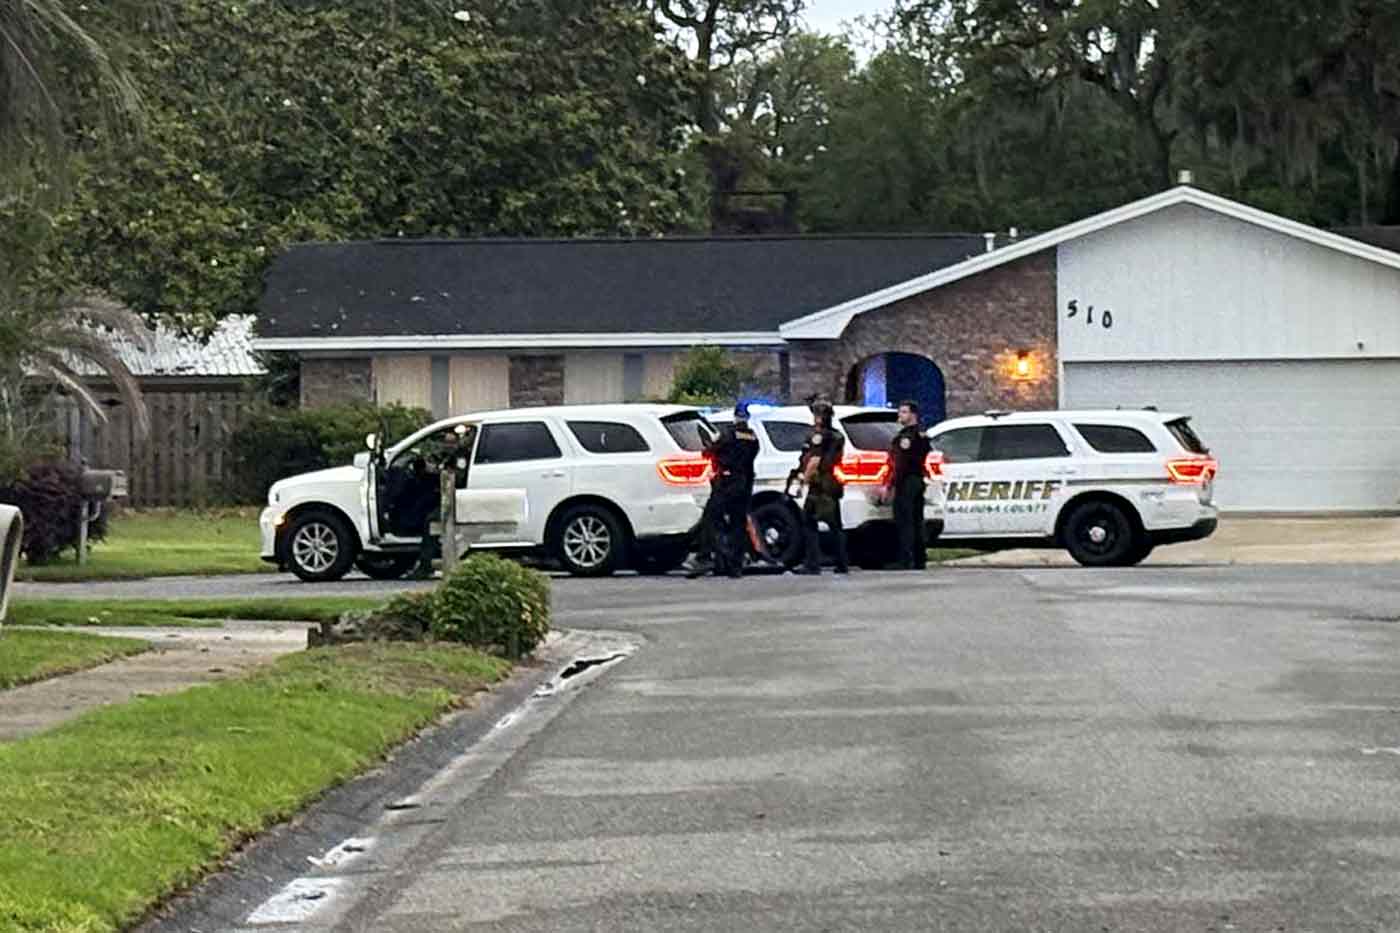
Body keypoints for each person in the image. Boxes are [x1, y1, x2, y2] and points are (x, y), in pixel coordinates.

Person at [685, 402, 761, 578]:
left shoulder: (728, 434)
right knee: (738, 524)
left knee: (711, 518)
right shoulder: (753, 437)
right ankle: (735, 566)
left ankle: (704, 557)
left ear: (735, 416)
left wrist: (709, 448)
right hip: (744, 484)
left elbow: (711, 450)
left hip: (727, 482)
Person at [793, 401, 848, 575]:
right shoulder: (838, 435)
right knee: (835, 525)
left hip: (819, 484)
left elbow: (814, 460)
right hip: (832, 484)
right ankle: (842, 563)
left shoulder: (818, 436)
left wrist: (804, 480)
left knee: (808, 521)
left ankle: (812, 564)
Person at [889, 399, 932, 570]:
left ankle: (906, 559)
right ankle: (920, 559)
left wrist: (892, 484)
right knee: (916, 520)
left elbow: (901, 463)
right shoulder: (921, 434)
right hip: (918, 480)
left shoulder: (906, 437)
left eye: (904, 412)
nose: (900, 415)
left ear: (913, 415)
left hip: (906, 481)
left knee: (905, 521)